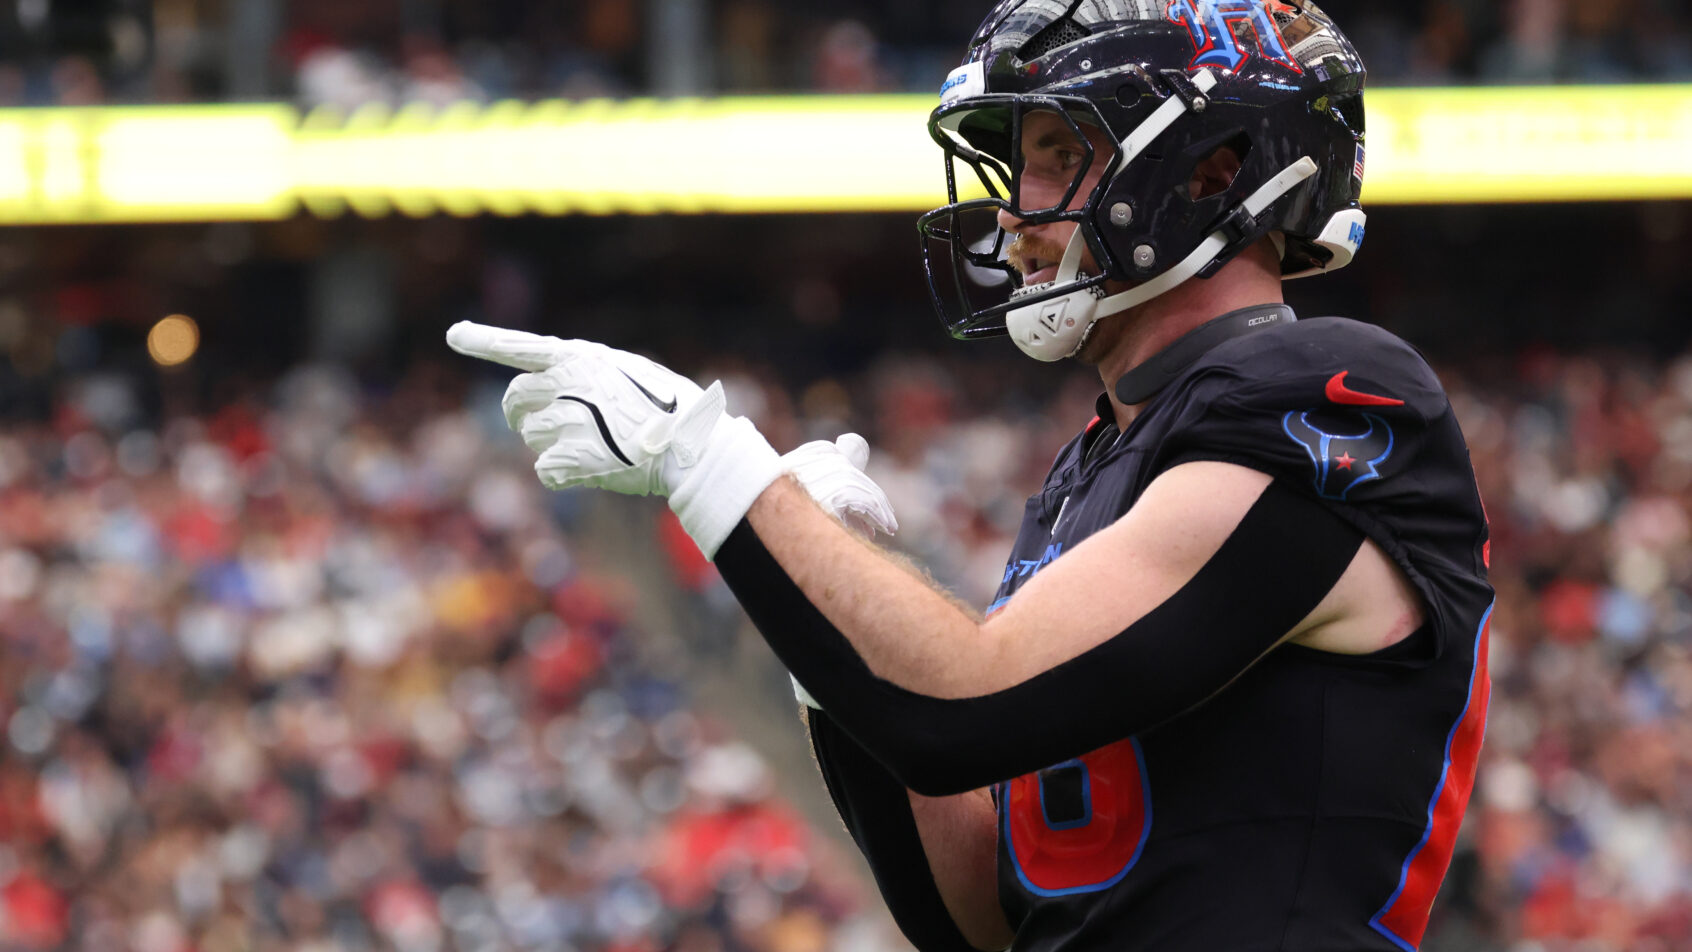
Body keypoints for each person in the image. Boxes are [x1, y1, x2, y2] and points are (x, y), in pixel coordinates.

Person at [448, 1, 1493, 949]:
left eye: (1055, 154)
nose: (1011, 215)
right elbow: (987, 917)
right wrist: (829, 638)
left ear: (1212, 169)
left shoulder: (1326, 390)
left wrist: (712, 464)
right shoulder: (1101, 462)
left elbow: (962, 707)